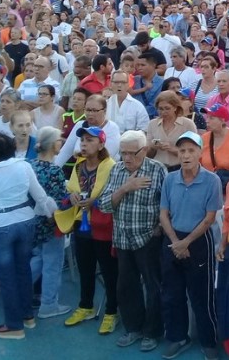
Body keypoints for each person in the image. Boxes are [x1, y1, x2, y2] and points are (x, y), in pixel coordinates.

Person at [0, 132, 58, 339]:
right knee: (23, 270)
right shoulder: (23, 166)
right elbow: (39, 195)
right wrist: (49, 212)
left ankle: (14, 326)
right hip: (25, 222)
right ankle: (28, 317)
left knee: (6, 278)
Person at [98, 130, 167, 353]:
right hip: (122, 238)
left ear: (144, 150)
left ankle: (153, 331)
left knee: (153, 286)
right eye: (123, 153)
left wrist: (158, 229)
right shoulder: (117, 170)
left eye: (132, 153)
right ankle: (133, 328)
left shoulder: (158, 170)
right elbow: (104, 205)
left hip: (148, 238)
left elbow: (168, 206)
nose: (127, 158)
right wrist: (126, 188)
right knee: (126, 286)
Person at [159, 130, 223, 360]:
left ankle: (208, 341)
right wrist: (176, 242)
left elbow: (209, 218)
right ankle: (178, 337)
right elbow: (163, 214)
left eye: (190, 150)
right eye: (182, 150)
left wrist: (186, 242)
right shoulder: (170, 179)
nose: (185, 155)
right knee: (172, 294)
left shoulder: (212, 180)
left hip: (198, 243)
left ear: (199, 153)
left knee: (202, 295)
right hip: (172, 240)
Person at [55, 125, 119, 334]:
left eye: (90, 140)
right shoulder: (78, 166)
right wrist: (73, 197)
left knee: (109, 272)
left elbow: (114, 195)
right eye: (82, 140)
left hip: (102, 226)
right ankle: (86, 306)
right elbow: (72, 190)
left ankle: (111, 311)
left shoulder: (112, 166)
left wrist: (95, 201)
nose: (84, 143)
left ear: (101, 144)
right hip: (81, 225)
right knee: (86, 269)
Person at [28, 127, 70, 319]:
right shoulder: (54, 171)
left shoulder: (30, 165)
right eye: (59, 140)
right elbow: (61, 200)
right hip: (51, 223)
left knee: (37, 259)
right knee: (53, 262)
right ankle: (49, 304)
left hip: (33, 221)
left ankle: (19, 292)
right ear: (53, 144)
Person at [146, 90, 198, 171]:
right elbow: (148, 155)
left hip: (180, 168)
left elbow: (194, 153)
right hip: (157, 169)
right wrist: (153, 147)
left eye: (167, 108)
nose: (163, 112)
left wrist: (172, 148)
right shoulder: (152, 124)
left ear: (175, 107)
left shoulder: (188, 124)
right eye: (160, 109)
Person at [199, 103, 229, 189]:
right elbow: (198, 163)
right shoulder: (204, 138)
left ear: (222, 120)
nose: (207, 121)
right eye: (207, 117)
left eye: (211, 118)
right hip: (206, 186)